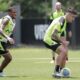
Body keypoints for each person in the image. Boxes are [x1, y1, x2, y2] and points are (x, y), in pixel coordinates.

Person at [43, 8, 77, 78]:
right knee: (63, 51)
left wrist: (64, 44)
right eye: (73, 17)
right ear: (68, 15)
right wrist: (63, 42)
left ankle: (61, 72)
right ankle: (56, 72)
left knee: (64, 53)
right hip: (48, 39)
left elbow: (62, 37)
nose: (73, 19)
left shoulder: (64, 23)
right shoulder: (61, 20)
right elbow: (53, 34)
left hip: (53, 39)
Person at [0, 7, 16, 76]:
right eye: (14, 12)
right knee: (8, 58)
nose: (15, 14)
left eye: (16, 12)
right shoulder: (7, 19)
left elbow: (7, 31)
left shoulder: (12, 21)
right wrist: (7, 37)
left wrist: (9, 39)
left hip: (2, 41)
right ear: (9, 13)